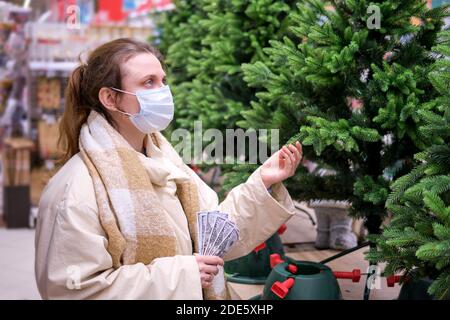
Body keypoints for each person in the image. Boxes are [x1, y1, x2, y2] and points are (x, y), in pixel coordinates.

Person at [35, 38, 303, 299]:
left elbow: (213, 234)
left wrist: (262, 183)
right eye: (148, 82)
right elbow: (73, 291)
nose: (163, 91)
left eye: (163, 80)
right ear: (110, 98)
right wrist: (182, 275)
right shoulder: (76, 190)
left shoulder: (168, 164)